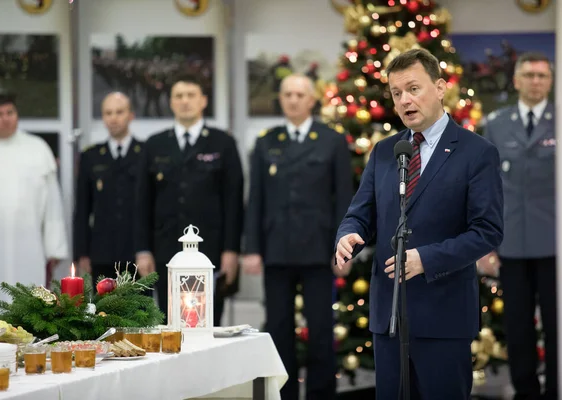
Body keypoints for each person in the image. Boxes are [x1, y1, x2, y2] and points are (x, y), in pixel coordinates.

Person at [334, 49, 504, 399]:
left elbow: (487, 230)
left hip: (443, 317)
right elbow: (360, 212)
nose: (405, 100)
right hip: (388, 317)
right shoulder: (385, 151)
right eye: (397, 93)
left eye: (413, 88)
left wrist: (426, 259)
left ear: (440, 88)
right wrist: (349, 233)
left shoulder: (476, 152)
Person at [243, 73, 353, 400]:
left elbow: (343, 199)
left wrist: (343, 250)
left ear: (311, 100)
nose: (292, 100)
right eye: (287, 94)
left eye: (299, 94)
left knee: (320, 332)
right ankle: (283, 395)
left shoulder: (332, 140)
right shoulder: (267, 141)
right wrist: (251, 248)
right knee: (277, 331)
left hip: (320, 252)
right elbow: (256, 200)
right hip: (276, 249)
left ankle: (321, 394)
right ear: (281, 99)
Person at [478, 51, 557, 400]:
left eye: (542, 76)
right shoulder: (496, 124)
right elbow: (485, 187)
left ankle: (559, 389)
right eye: (529, 75)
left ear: (550, 81)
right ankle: (526, 392)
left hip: (558, 245)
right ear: (516, 80)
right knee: (518, 325)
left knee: (559, 325)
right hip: (510, 242)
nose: (535, 82)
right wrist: (485, 242)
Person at [134, 74, 243, 325]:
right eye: (179, 96)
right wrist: (142, 249)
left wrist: (231, 250)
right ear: (171, 103)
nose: (185, 102)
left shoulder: (223, 143)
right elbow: (141, 203)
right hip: (165, 250)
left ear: (203, 101)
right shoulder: (154, 145)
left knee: (208, 323)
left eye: (191, 95)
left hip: (210, 250)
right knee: (169, 322)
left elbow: (234, 201)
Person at [0, 93, 69, 300]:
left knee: (29, 304)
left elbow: (53, 206)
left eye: (10, 112)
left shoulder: (37, 149)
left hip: (29, 246)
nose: (6, 118)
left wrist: (55, 248)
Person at [73, 92, 143, 285]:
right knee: (104, 312)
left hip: (138, 252)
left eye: (119, 112)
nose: (113, 118)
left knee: (143, 313)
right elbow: (82, 209)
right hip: (102, 253)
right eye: (108, 113)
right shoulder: (91, 157)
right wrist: (81, 253)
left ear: (131, 115)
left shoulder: (145, 153)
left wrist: (149, 250)